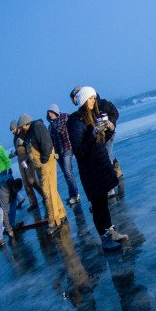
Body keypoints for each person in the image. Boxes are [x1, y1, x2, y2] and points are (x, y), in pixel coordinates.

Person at [67, 87, 130, 251]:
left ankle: (112, 232)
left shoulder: (93, 116)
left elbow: (100, 140)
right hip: (90, 169)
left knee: (104, 203)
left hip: (100, 165)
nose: (94, 101)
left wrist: (109, 127)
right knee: (97, 206)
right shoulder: (75, 122)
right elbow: (79, 151)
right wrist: (94, 132)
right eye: (90, 98)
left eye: (94, 98)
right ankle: (105, 240)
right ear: (83, 100)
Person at [18, 112, 68, 234]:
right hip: (40, 167)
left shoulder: (37, 127)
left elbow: (46, 143)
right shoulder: (29, 134)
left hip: (46, 164)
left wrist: (45, 160)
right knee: (52, 190)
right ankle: (61, 213)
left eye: (20, 128)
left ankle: (54, 221)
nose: (20, 130)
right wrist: (29, 162)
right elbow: (33, 151)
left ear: (24, 125)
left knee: (47, 192)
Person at [71, 86, 122, 187]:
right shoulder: (82, 114)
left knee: (107, 156)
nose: (74, 101)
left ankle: (112, 183)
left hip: (108, 134)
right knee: (106, 156)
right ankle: (114, 174)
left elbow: (115, 113)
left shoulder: (104, 104)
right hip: (98, 137)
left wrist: (108, 123)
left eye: (75, 97)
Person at [46, 104, 80, 205]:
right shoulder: (50, 125)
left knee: (68, 171)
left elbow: (63, 131)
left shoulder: (65, 117)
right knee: (66, 174)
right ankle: (72, 193)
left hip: (67, 148)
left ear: (55, 111)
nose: (50, 115)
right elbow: (50, 140)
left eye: (51, 112)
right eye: (48, 113)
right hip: (58, 152)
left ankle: (75, 194)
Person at [11, 119, 44, 208]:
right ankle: (33, 203)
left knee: (32, 180)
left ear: (17, 127)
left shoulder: (23, 133)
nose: (13, 131)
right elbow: (18, 150)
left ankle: (44, 195)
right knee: (26, 183)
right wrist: (14, 154)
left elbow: (29, 144)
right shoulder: (14, 139)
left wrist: (23, 143)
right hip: (20, 162)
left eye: (13, 129)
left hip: (27, 160)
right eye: (11, 130)